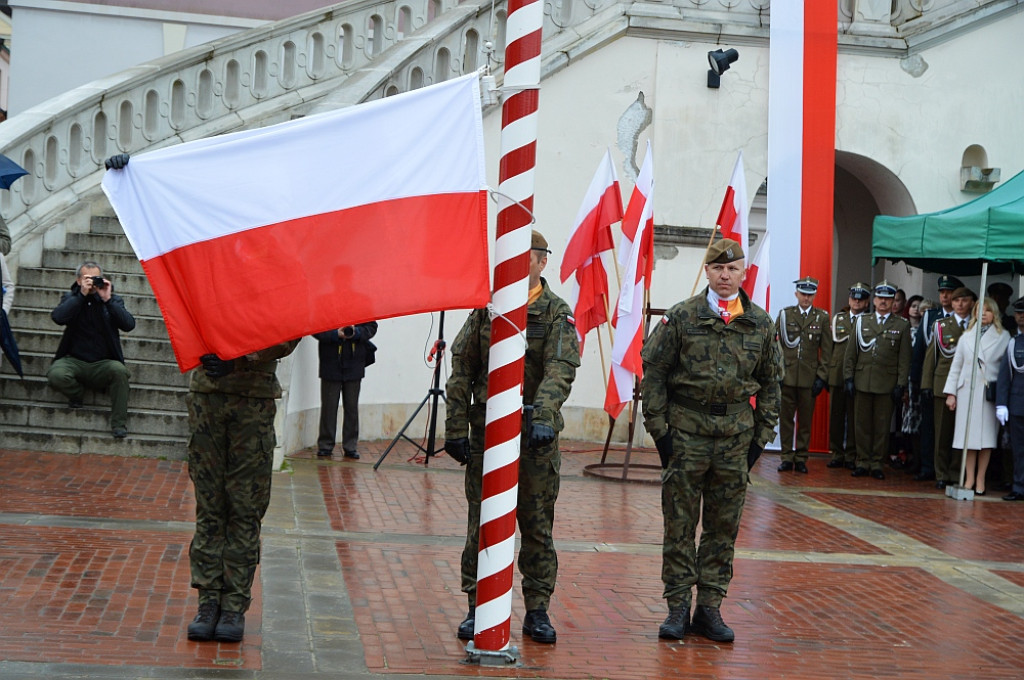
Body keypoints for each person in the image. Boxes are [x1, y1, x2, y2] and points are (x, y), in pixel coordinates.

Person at [641, 238, 782, 643]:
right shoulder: (682, 317)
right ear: (707, 271)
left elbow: (772, 384)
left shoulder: (759, 322)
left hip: (736, 439)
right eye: (718, 269)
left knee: (723, 528)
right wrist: (661, 434)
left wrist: (760, 439)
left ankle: (710, 608)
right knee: (680, 525)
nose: (725, 275)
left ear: (743, 273)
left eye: (732, 269)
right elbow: (654, 374)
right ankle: (677, 608)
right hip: (686, 435)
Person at [444, 230, 579, 645]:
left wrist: (544, 414)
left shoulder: (556, 312)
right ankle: (476, 605)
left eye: (528, 258)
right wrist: (454, 426)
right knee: (480, 524)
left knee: (537, 525)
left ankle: (537, 609)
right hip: (488, 433)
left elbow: (561, 365)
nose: (519, 265)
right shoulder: (488, 309)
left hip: (534, 437)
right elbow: (462, 367)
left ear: (542, 263)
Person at [184, 340, 299, 642]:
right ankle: (208, 601)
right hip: (207, 393)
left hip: (252, 399)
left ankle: (233, 604)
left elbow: (288, 333)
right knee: (209, 505)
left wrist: (240, 358)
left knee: (245, 505)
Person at [46, 261, 135, 437]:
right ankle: (77, 394)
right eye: (87, 278)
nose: (92, 282)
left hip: (103, 362)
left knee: (120, 371)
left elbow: (129, 325)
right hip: (74, 360)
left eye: (96, 278)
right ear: (78, 280)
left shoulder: (112, 300)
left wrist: (107, 300)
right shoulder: (71, 298)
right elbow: (58, 317)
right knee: (56, 374)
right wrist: (81, 296)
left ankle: (119, 424)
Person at [843, 280, 911, 480]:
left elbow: (904, 358)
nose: (883, 302)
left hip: (886, 383)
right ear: (874, 300)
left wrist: (901, 384)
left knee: (882, 426)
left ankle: (877, 463)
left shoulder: (901, 325)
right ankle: (862, 461)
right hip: (863, 380)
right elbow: (851, 353)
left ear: (893, 302)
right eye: (880, 298)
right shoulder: (862, 322)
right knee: (861, 424)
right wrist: (848, 377)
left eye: (887, 299)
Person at [943, 297, 1009, 494]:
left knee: (986, 440)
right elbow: (956, 366)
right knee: (968, 440)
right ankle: (969, 478)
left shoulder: (1003, 336)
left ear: (994, 314)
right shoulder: (966, 336)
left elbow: (1005, 369)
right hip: (966, 393)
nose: (984, 314)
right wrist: (951, 393)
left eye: (988, 311)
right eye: (980, 310)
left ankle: (981, 479)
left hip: (987, 394)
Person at [776, 276, 832, 473]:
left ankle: (801, 457)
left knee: (805, 421)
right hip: (787, 376)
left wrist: (821, 377)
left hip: (809, 377)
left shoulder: (822, 317)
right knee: (785, 419)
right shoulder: (785, 315)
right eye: (803, 294)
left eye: (810, 294)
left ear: (814, 295)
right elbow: (777, 346)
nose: (806, 298)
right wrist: (778, 373)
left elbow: (826, 350)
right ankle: (786, 456)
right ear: (796, 294)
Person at [921, 286, 975, 488]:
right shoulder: (941, 325)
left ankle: (956, 472)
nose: (960, 304)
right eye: (956, 300)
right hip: (943, 385)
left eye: (964, 300)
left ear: (971, 303)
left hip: (967, 387)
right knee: (942, 432)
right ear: (951, 303)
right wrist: (926, 384)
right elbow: (931, 358)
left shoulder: (976, 326)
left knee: (961, 433)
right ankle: (941, 473)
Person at [912, 275, 963, 483]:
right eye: (942, 292)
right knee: (931, 428)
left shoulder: (969, 321)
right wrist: (920, 384)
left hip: (959, 383)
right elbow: (921, 353)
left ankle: (951, 470)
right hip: (935, 381)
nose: (945, 296)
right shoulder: (931, 316)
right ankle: (928, 467)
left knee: (953, 431)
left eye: (949, 292)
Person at [313, 321, 378, 459]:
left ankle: (350, 446)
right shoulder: (326, 304)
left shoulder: (362, 303)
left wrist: (357, 333)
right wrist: (335, 334)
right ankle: (325, 445)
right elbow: (315, 328)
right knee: (329, 408)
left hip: (354, 364)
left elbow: (372, 327)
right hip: (330, 363)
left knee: (351, 408)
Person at [827, 283, 871, 469]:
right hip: (837, 373)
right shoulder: (840, 318)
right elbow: (830, 348)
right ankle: (837, 452)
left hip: (858, 374)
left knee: (856, 418)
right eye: (854, 298)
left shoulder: (868, 321)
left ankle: (852, 454)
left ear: (867, 302)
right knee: (836, 416)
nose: (857, 301)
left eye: (861, 299)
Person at [996, 298, 1024, 501]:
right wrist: (1002, 404)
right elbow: (1004, 376)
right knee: (1018, 449)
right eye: (1019, 312)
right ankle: (1019, 486)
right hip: (1017, 404)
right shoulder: (1013, 342)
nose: (1021, 316)